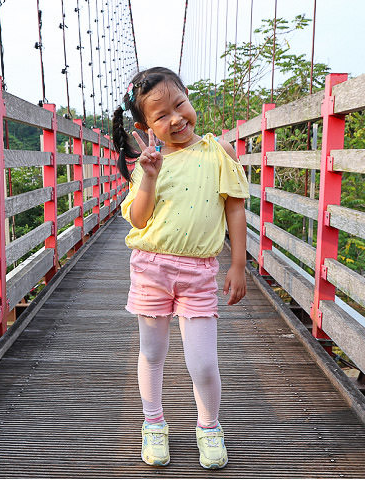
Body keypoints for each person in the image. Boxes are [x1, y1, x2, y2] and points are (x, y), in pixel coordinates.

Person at [112, 66, 249, 469]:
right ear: (145, 125)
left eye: (180, 105)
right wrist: (150, 176)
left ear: (189, 98)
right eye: (161, 115)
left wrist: (238, 264)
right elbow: (139, 219)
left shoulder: (217, 152)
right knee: (152, 352)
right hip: (151, 267)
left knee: (202, 361)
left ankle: (208, 426)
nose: (176, 119)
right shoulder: (149, 163)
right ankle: (153, 422)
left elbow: (235, 207)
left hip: (199, 270)